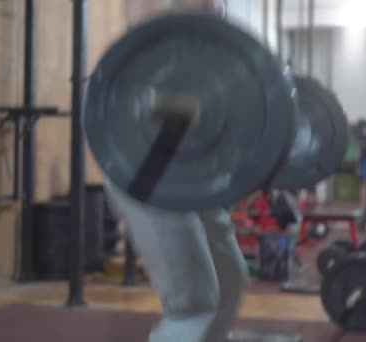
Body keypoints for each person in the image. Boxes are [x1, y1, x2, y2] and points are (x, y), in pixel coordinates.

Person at [106, 2, 247, 342]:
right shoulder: (148, 54)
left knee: (232, 278)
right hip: (145, 175)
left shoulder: (209, 58)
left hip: (190, 176)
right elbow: (142, 16)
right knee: (193, 301)